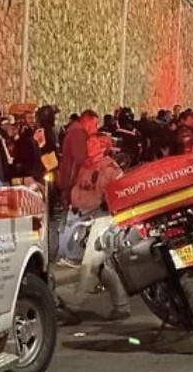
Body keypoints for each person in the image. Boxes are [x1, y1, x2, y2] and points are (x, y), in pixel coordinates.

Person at [64, 133, 130, 323]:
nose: (89, 147)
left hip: (103, 218)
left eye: (93, 144)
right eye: (88, 143)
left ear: (103, 146)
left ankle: (75, 306)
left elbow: (119, 191)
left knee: (89, 262)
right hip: (86, 216)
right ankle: (121, 305)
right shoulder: (86, 166)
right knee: (99, 266)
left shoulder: (111, 169)